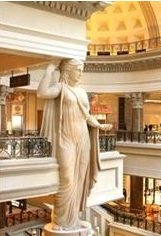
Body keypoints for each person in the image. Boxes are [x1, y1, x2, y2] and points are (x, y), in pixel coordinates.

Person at [38, 59, 106, 231]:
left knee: (79, 179)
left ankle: (74, 219)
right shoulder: (62, 88)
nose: (81, 73)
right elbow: (42, 92)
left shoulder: (82, 92)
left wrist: (98, 124)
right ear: (68, 71)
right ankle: (61, 220)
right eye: (78, 70)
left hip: (83, 137)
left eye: (82, 70)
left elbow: (86, 115)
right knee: (67, 178)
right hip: (65, 138)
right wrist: (49, 70)